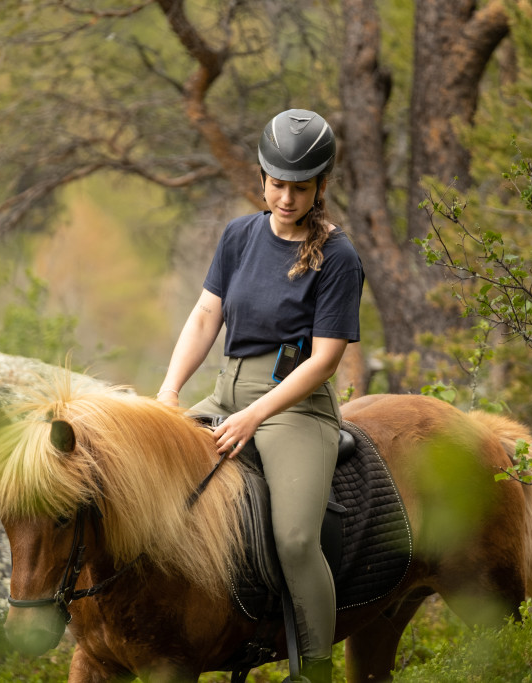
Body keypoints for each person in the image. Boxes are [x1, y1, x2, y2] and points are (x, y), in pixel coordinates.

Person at [157, 108, 363, 683]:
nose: (287, 197)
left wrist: (254, 415)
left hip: (293, 405)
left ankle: (316, 668)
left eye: (300, 187)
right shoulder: (239, 235)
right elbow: (204, 316)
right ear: (262, 177)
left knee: (296, 538)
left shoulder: (337, 257)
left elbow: (324, 360)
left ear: (320, 185)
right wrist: (169, 393)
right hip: (224, 390)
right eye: (278, 184)